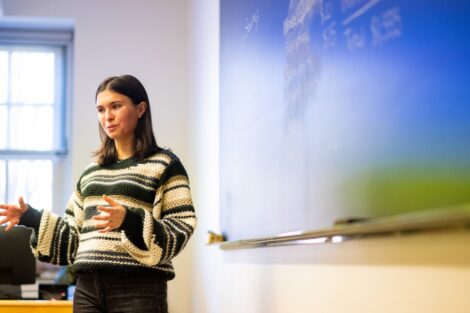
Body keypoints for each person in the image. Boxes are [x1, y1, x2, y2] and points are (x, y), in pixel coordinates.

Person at [0, 74, 196, 312]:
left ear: (141, 108)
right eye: (101, 110)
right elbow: (74, 239)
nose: (107, 117)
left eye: (116, 106)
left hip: (139, 287)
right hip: (87, 289)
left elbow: (181, 225)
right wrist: (30, 217)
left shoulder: (165, 165)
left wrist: (129, 220)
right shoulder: (91, 173)